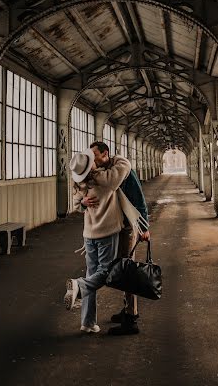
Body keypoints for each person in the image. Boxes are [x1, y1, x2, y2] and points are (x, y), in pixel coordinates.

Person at [64, 147, 131, 334]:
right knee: (104, 272)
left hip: (88, 235)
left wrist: (84, 203)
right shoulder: (106, 179)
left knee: (92, 273)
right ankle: (79, 286)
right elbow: (125, 164)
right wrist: (110, 157)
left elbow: (76, 205)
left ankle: (87, 322)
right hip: (106, 233)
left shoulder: (80, 185)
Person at [89, 141, 150, 336]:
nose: (92, 159)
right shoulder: (107, 170)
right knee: (120, 268)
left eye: (94, 155)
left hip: (126, 227)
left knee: (126, 269)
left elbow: (138, 197)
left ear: (105, 154)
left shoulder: (122, 169)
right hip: (114, 226)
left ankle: (131, 319)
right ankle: (128, 309)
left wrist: (144, 227)